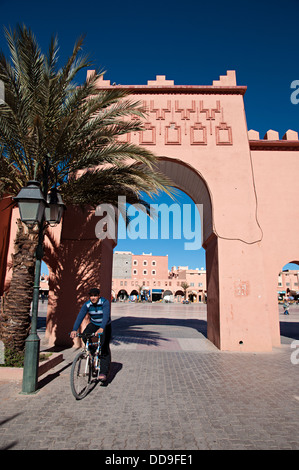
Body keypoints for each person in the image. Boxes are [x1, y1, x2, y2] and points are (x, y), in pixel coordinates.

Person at [70, 288, 111, 381]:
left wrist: (102, 328)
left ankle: (103, 373)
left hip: (105, 325)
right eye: (91, 296)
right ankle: (93, 352)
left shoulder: (105, 302)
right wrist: (74, 329)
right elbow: (80, 316)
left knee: (104, 347)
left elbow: (106, 316)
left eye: (95, 295)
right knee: (84, 336)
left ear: (99, 296)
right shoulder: (87, 304)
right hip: (94, 324)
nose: (93, 297)